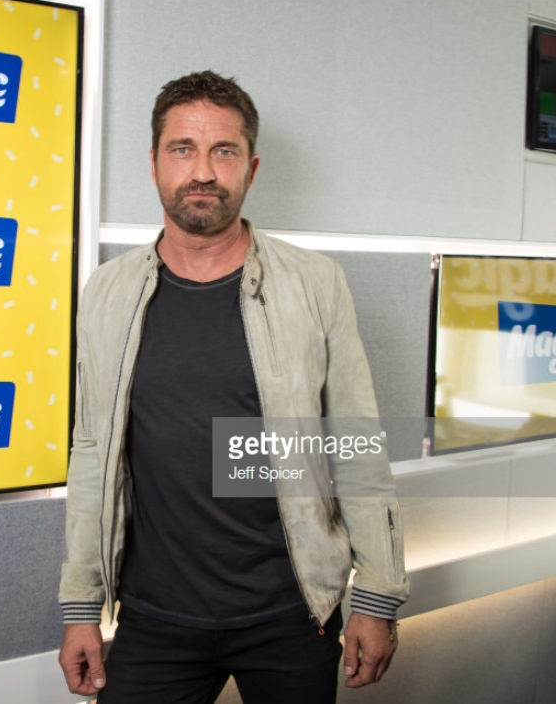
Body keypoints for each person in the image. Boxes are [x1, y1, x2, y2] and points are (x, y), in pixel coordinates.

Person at [58, 70, 409, 703]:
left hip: (293, 612)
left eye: (223, 151)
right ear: (154, 163)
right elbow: (92, 454)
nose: (202, 172)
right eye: (183, 149)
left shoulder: (315, 283)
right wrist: (81, 604)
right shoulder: (108, 293)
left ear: (251, 168)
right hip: (155, 614)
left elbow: (354, 444)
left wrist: (377, 595)